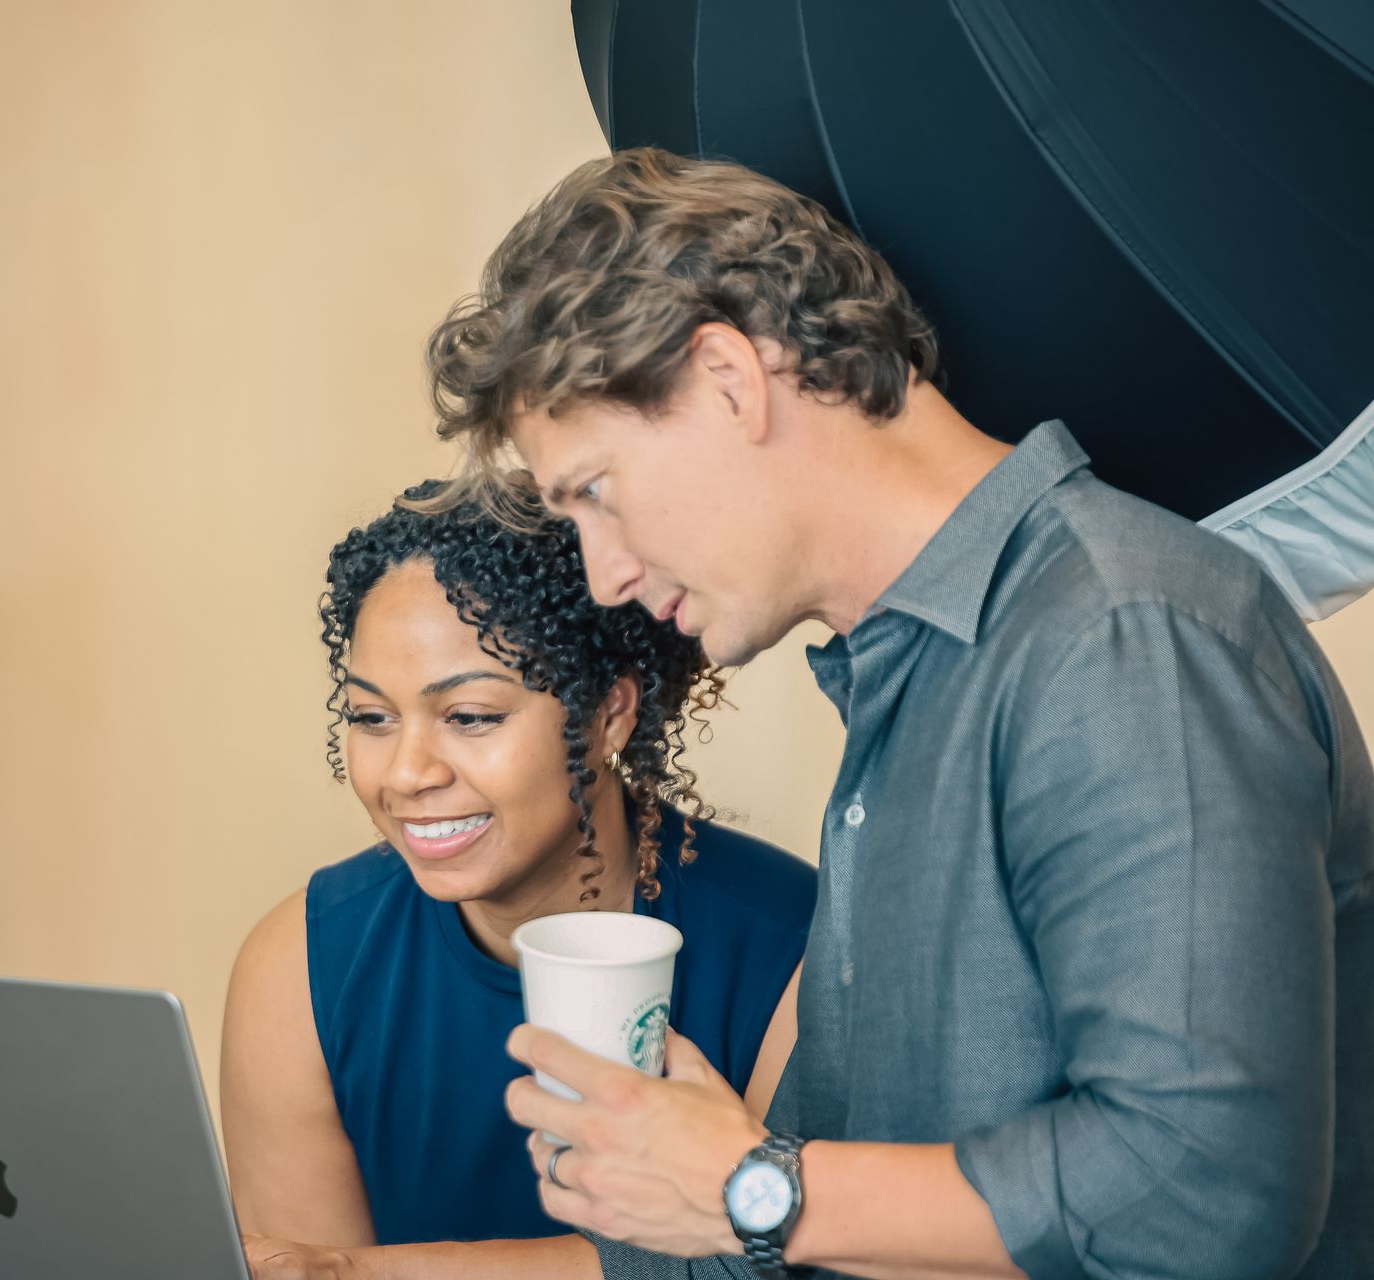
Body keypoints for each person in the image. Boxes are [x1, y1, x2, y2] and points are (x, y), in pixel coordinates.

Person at [422, 148, 1373, 1280]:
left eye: (594, 491)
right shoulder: (912, 686)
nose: (602, 575)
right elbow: (803, 1222)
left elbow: (1199, 1191)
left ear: (728, 377)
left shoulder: (1126, 632)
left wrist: (746, 1184)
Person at [224, 483, 815, 1279]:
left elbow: (780, 1266)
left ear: (609, 713)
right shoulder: (297, 967)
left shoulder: (794, 950)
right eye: (371, 718)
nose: (406, 774)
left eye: (470, 716)